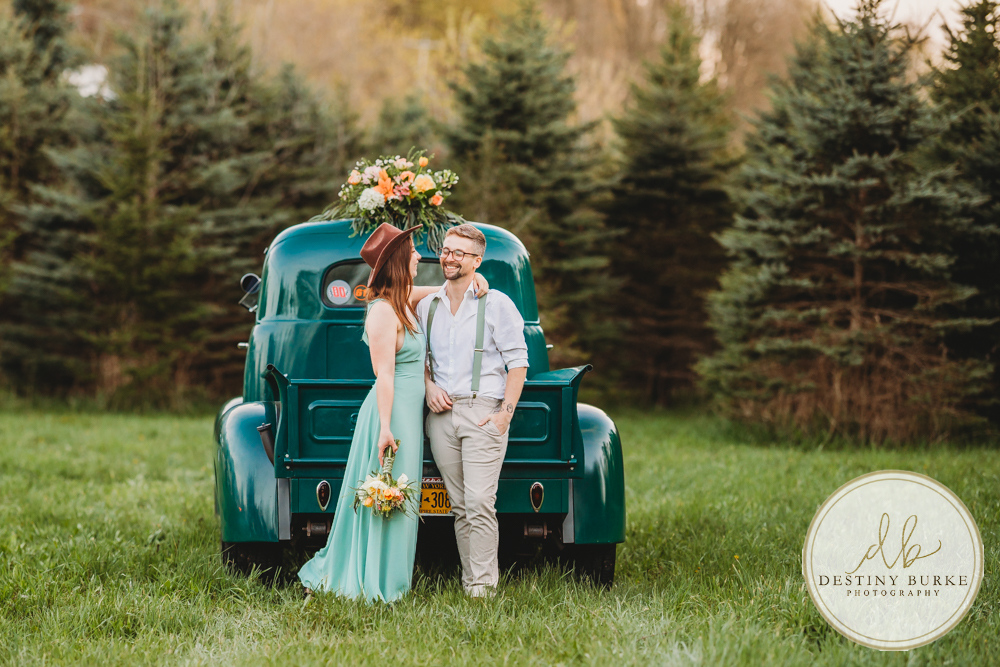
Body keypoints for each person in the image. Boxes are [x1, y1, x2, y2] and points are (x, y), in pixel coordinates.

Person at [298, 223, 487, 603]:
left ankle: (391, 577)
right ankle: (377, 583)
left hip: (406, 415)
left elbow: (442, 289)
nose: (419, 256)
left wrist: (474, 278)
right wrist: (385, 429)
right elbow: (384, 375)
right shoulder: (383, 311)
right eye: (413, 251)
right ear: (401, 261)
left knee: (401, 497)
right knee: (388, 496)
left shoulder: (403, 299)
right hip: (391, 415)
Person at [417, 224, 529, 598]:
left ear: (477, 261)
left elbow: (518, 363)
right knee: (461, 505)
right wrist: (429, 386)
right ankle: (472, 582)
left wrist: (503, 416)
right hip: (442, 418)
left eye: (459, 253)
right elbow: (420, 359)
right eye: (446, 251)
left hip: (484, 411)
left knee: (481, 501)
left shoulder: (497, 304)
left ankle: (482, 588)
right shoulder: (427, 305)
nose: (449, 258)